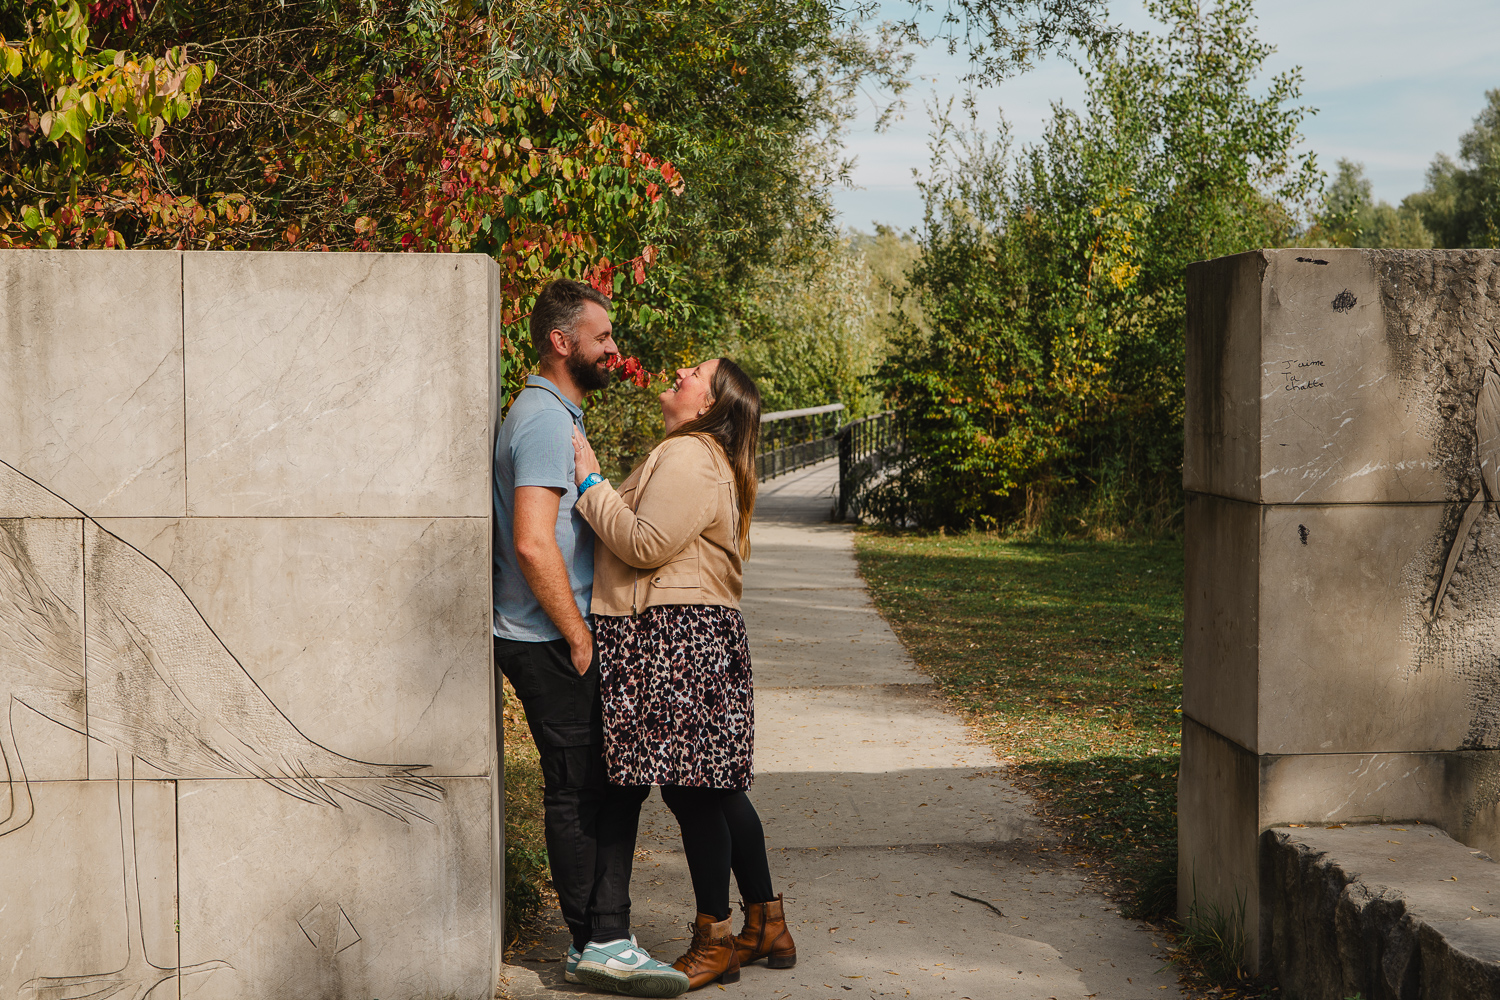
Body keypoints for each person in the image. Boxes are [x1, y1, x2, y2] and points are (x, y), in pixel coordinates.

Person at [571, 358, 796, 991]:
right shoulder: (698, 453)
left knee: (694, 790)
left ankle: (715, 940)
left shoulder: (691, 455)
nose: (679, 370)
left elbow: (644, 544)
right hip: (692, 634)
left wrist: (591, 483)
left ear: (709, 404)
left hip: (677, 637)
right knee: (715, 788)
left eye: (694, 371)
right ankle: (766, 922)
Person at [493, 278, 689, 998]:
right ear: (561, 341)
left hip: (554, 631)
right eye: (602, 338)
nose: (614, 349)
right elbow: (534, 544)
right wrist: (578, 636)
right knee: (581, 788)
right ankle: (598, 941)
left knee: (613, 783)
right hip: (547, 636)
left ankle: (605, 934)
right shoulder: (543, 419)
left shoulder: (553, 412)